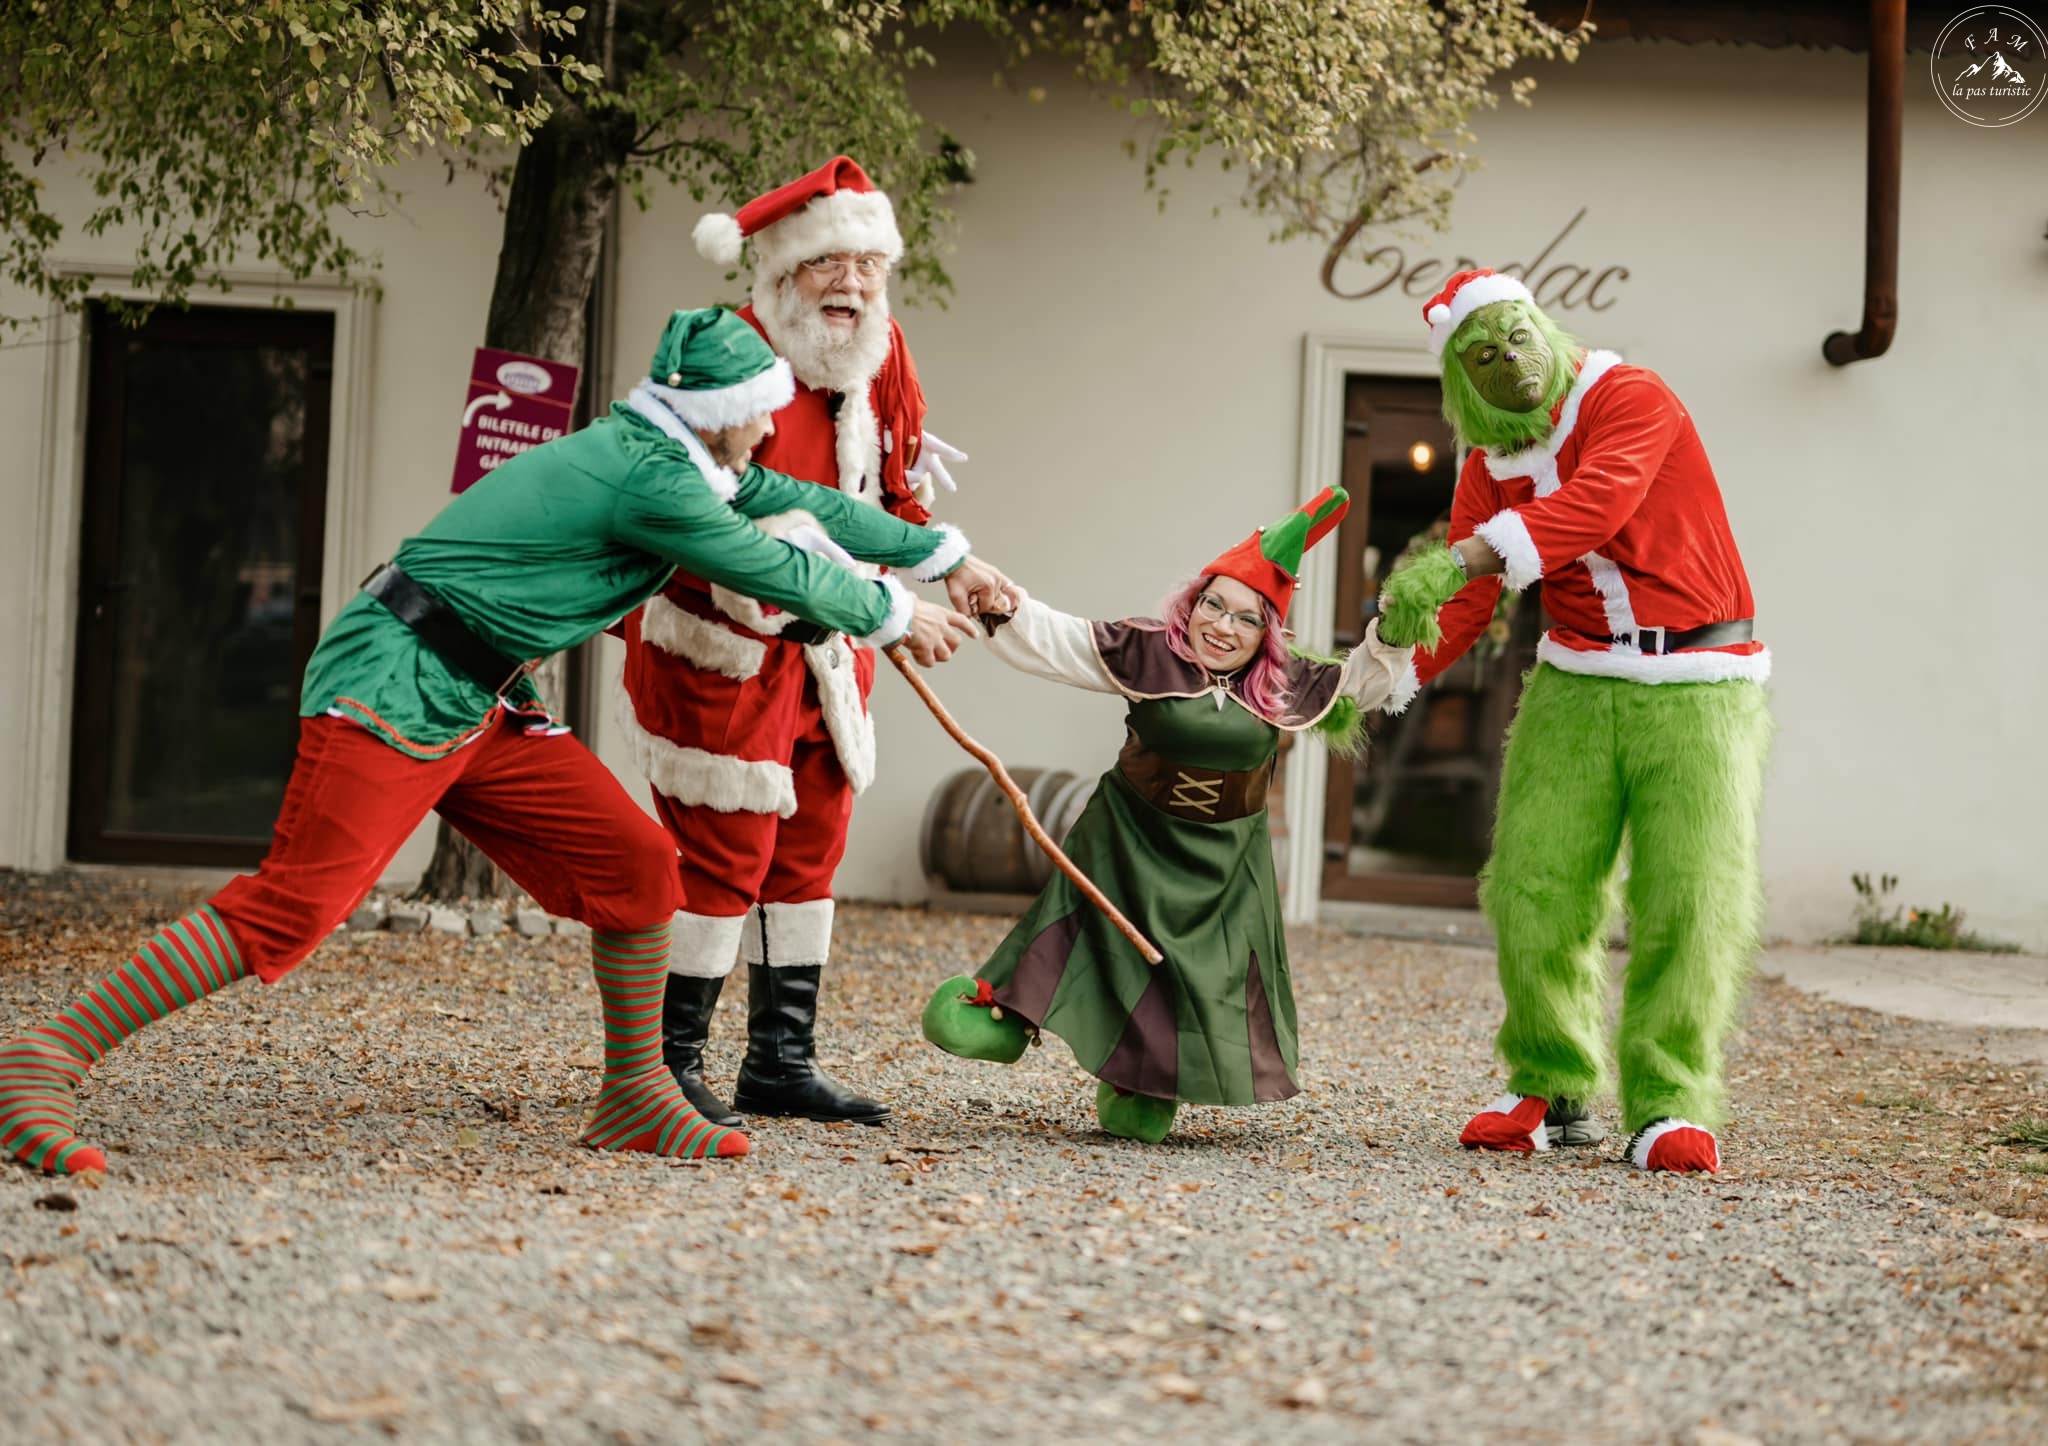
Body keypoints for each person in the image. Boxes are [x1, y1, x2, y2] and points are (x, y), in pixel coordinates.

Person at [0, 306, 1009, 1177]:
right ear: (725, 411)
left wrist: (943, 559)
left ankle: (633, 1098)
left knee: (633, 864)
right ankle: (41, 1059)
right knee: (293, 909)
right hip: (395, 677)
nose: (771, 423)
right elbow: (767, 563)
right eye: (763, 405)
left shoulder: (687, 459)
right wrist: (891, 613)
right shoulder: (653, 478)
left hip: (480, 694)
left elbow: (814, 508)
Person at [1375, 268, 1772, 1174]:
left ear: (1542, 327)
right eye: (1482, 356)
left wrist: (1463, 554)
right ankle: (1550, 1083)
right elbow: (1471, 605)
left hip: (1702, 680)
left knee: (1692, 893)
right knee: (1533, 882)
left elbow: (1597, 504)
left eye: (1515, 338)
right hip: (1575, 681)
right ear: (1461, 380)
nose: (1507, 363)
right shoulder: (1484, 463)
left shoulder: (1631, 397)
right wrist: (1376, 674)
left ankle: (1672, 1101)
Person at [622, 156, 984, 1129]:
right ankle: (669, 1064)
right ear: (779, 274)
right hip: (719, 643)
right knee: (723, 850)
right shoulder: (723, 352)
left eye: (868, 263)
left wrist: (938, 567)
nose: (852, 284)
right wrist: (885, 603)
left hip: (831, 647)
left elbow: (892, 488)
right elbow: (691, 512)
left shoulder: (880, 350)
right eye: (829, 263)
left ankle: (779, 1061)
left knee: (808, 848)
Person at [919, 487, 1413, 1143]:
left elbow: (1368, 682)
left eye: (1244, 618)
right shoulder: (1148, 650)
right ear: (1193, 602)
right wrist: (1001, 606)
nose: (1222, 626)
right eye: (1214, 605)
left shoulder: (1287, 681)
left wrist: (1397, 629)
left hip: (1226, 859)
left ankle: (1143, 1083)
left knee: (1198, 971)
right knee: (1085, 929)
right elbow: (1059, 640)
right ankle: (1007, 1014)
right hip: (1131, 833)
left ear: (1268, 632)